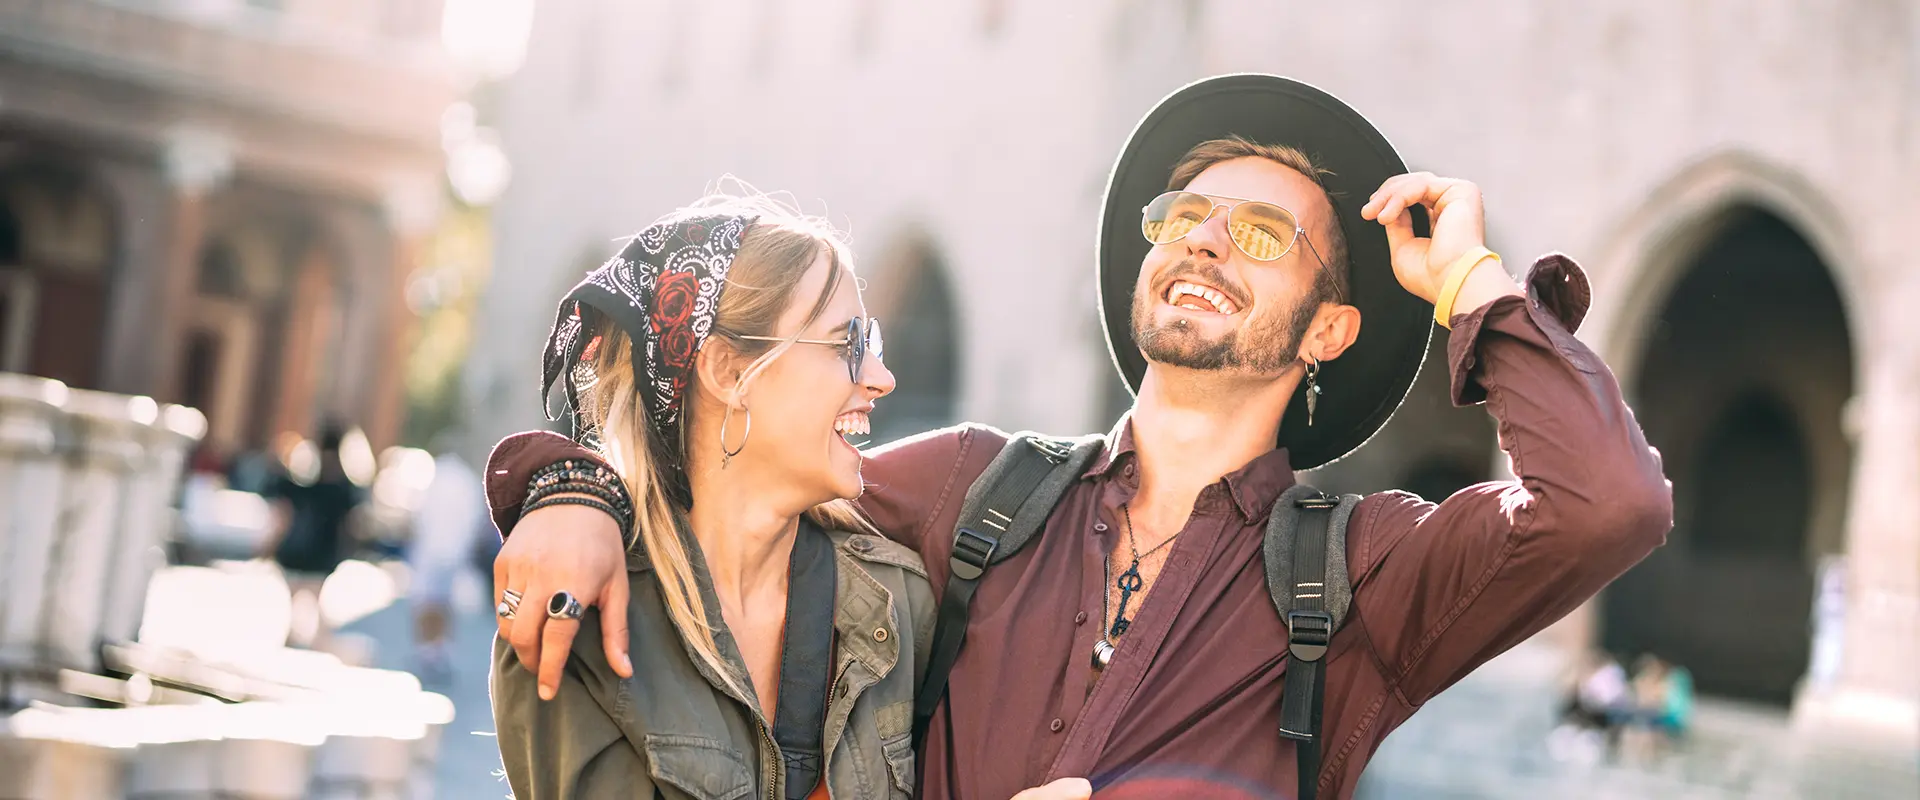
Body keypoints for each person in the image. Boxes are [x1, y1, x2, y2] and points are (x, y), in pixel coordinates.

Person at [484, 75, 1673, 799]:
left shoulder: (1367, 574)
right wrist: (568, 486)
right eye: (1186, 214)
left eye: (1261, 237)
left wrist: (1469, 280)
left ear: (1330, 329)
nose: (1205, 240)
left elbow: (1607, 502)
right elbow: (718, 450)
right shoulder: (970, 489)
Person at [490, 193, 1073, 800]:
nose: (880, 376)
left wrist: (566, 488)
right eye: (846, 343)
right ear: (727, 372)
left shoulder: (900, 605)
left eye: (871, 341)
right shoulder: (568, 619)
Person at [259, 419, 367, 648]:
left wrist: (269, 545)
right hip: (322, 556)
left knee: (296, 605)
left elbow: (284, 513)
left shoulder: (304, 479)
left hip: (296, 553)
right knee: (316, 610)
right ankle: (311, 644)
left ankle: (293, 641)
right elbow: (352, 526)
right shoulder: (344, 488)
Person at [406, 435, 488, 684]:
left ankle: (429, 651)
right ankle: (440, 651)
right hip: (455, 550)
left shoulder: (433, 476)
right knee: (445, 603)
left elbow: (418, 512)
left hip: (431, 548)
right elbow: (476, 518)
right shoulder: (467, 481)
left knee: (428, 601)